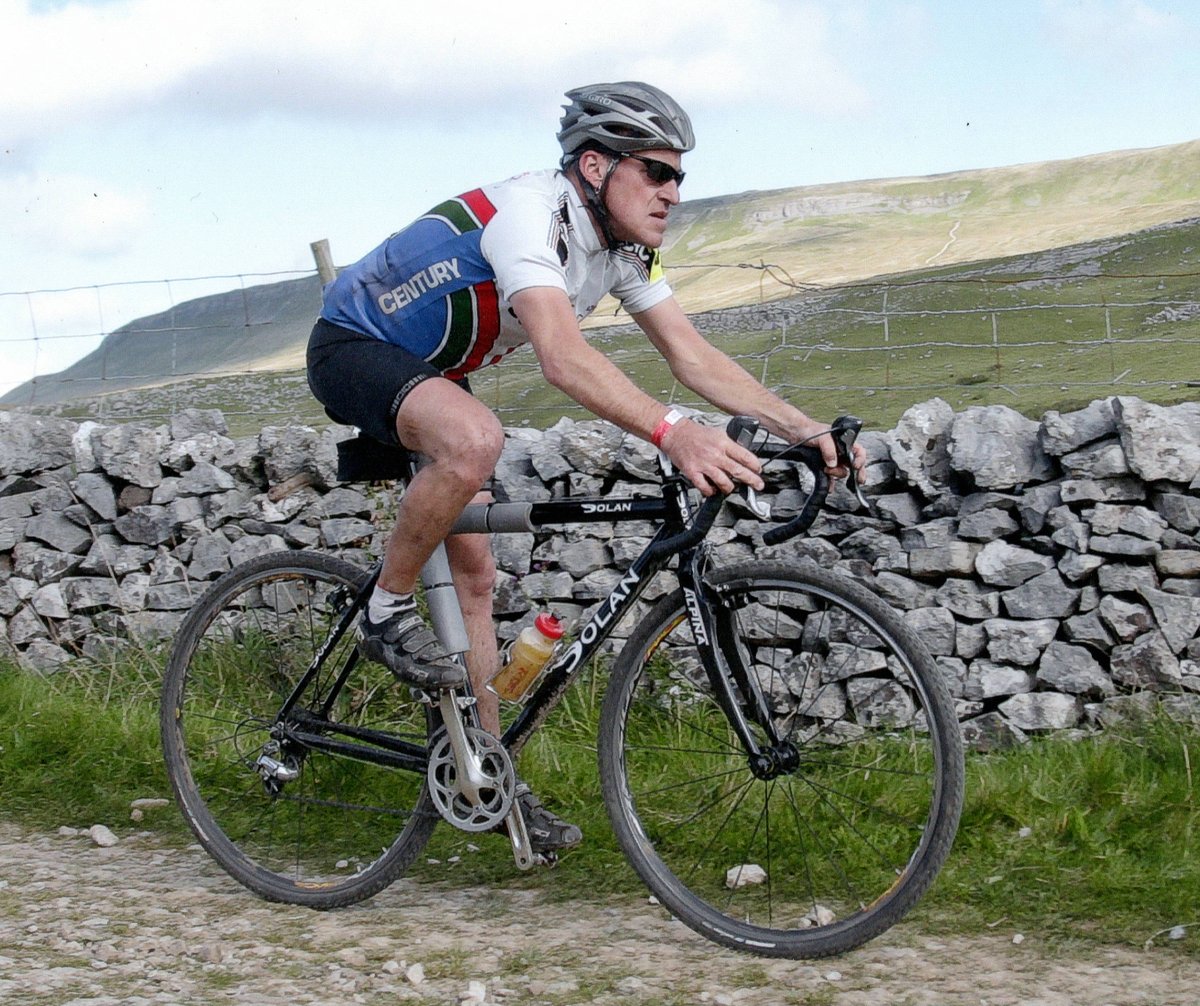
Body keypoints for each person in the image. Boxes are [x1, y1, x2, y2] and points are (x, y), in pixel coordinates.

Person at [307, 81, 865, 855]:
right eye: (657, 172)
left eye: (680, 177)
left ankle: (485, 779)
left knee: (475, 578)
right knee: (475, 441)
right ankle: (382, 613)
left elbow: (690, 354)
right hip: (351, 346)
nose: (673, 191)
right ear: (596, 166)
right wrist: (674, 432)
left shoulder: (625, 251)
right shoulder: (529, 217)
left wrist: (799, 426)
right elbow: (563, 360)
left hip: (434, 368)